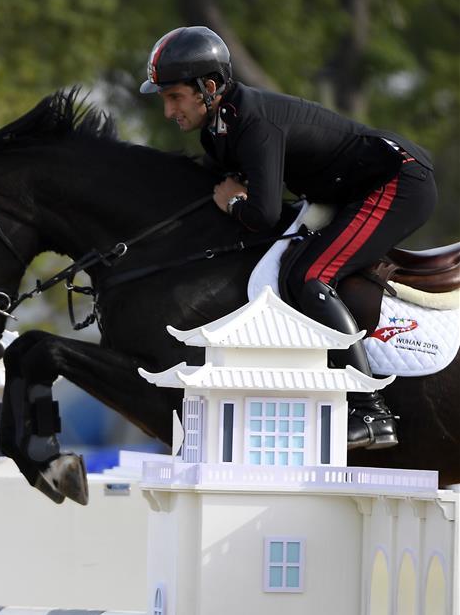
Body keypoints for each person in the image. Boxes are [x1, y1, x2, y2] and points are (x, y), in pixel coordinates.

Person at [140, 25, 437, 451]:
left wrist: (233, 204)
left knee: (310, 275)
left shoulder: (253, 123)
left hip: (398, 181)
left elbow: (262, 214)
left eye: (174, 97)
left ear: (209, 88)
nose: (169, 111)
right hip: (348, 190)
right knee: (293, 266)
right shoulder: (217, 128)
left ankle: (372, 412)